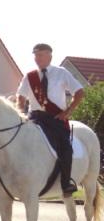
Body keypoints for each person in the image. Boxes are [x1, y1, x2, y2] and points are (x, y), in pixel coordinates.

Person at [16, 43, 84, 197]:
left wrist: (68, 111)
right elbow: (20, 95)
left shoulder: (62, 73)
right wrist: (20, 111)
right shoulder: (30, 76)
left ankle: (66, 183)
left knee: (66, 149)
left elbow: (79, 92)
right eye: (35, 55)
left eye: (40, 55)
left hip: (55, 119)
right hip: (34, 118)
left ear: (49, 56)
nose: (36, 58)